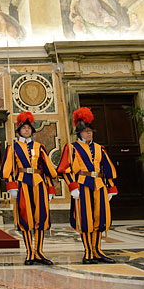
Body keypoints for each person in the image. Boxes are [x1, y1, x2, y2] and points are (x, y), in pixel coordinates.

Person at [57, 106, 117, 264]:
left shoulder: (99, 149)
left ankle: (97, 250)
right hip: (82, 185)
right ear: (79, 132)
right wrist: (72, 186)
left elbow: (107, 169)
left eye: (90, 131)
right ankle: (88, 252)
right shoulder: (72, 148)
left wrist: (111, 187)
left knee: (99, 218)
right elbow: (64, 169)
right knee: (86, 219)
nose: (89, 133)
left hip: (99, 185)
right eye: (86, 131)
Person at [0, 111, 57, 265]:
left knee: (40, 217)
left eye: (29, 128)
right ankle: (30, 253)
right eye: (24, 128)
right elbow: (9, 169)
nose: (26, 130)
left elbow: (47, 170)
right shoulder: (13, 148)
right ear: (19, 131)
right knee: (25, 218)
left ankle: (39, 252)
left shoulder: (40, 147)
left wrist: (51, 189)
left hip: (39, 183)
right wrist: (12, 186)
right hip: (22, 184)